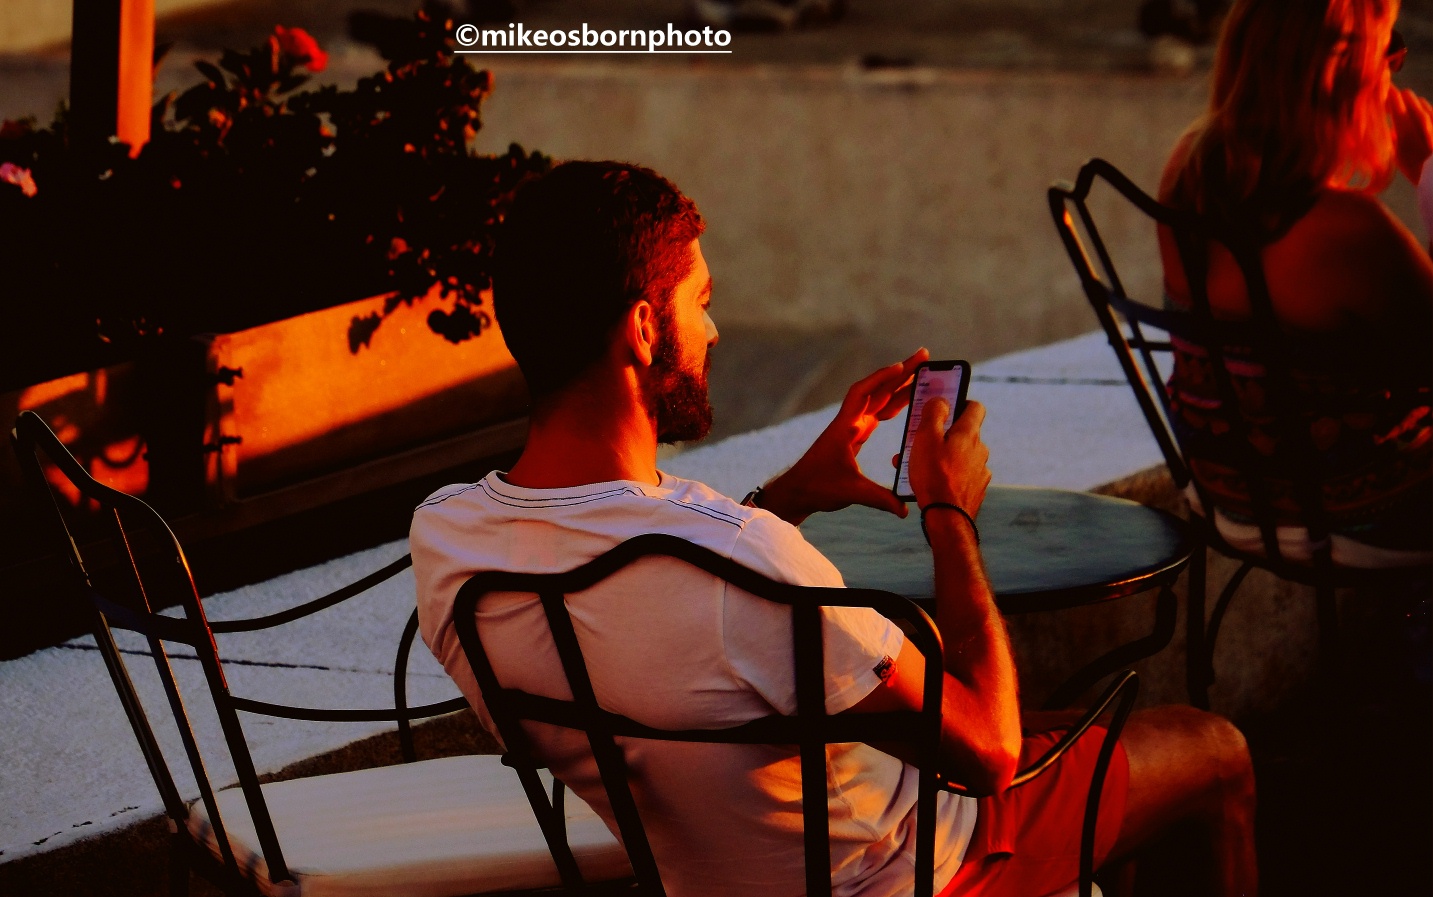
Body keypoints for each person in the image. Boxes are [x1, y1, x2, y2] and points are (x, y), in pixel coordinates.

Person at [412, 161, 1258, 896]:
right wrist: (948, 514)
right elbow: (989, 754)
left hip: (701, 872)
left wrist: (788, 494)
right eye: (700, 302)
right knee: (1211, 748)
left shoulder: (449, 537)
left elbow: (673, 610)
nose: (712, 330)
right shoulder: (744, 557)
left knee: (1069, 727)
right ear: (642, 328)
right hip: (912, 869)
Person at [1157, 0, 1433, 565]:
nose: (1393, 68)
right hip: (1353, 511)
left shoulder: (1188, 171)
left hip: (1227, 492)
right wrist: (1430, 174)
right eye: (1387, 48)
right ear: (1342, 70)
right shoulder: (1349, 230)